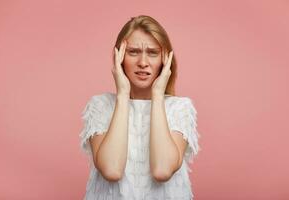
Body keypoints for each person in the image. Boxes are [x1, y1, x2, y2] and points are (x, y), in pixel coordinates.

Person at [79, 15, 200, 200]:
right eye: (133, 52)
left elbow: (162, 170)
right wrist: (122, 95)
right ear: (119, 56)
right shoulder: (100, 106)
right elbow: (111, 170)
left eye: (152, 53)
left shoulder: (180, 108)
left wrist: (158, 95)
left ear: (165, 59)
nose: (143, 62)